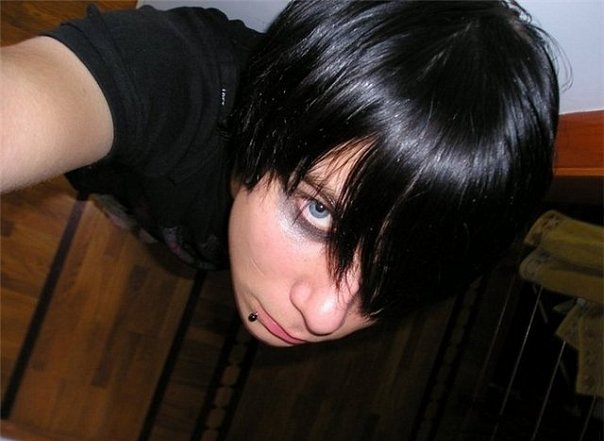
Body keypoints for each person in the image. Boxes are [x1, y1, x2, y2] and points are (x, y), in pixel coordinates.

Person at [0, 0, 559, 346]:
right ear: (271, 124)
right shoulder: (178, 73)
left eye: (398, 260)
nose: (324, 317)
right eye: (320, 212)